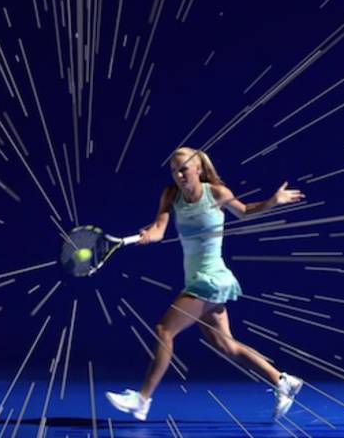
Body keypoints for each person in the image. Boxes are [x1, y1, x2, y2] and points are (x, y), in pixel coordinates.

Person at [106, 146, 306, 421]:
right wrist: (149, 235)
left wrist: (273, 201)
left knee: (164, 330)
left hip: (211, 279)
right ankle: (281, 380)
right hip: (196, 280)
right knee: (226, 346)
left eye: (183, 169)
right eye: (174, 171)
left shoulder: (217, 193)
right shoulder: (171, 195)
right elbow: (159, 229)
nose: (178, 175)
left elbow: (245, 211)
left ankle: (142, 400)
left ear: (198, 169)